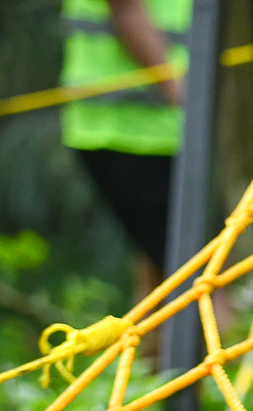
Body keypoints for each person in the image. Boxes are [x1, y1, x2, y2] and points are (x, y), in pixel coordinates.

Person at [62, 0, 188, 296]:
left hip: (159, 133)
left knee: (158, 277)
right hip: (126, 130)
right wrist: (183, 96)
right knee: (201, 274)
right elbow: (127, 10)